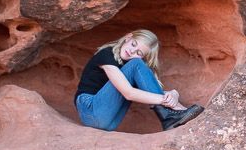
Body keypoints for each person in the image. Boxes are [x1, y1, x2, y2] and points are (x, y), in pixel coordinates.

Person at [74, 29, 203, 131]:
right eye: (133, 44)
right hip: (91, 109)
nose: (131, 51)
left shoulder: (129, 68)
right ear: (128, 38)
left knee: (136, 67)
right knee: (136, 64)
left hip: (109, 121)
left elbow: (150, 91)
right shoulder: (107, 54)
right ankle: (171, 115)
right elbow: (128, 93)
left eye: (139, 53)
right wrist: (167, 102)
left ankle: (172, 115)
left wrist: (174, 94)